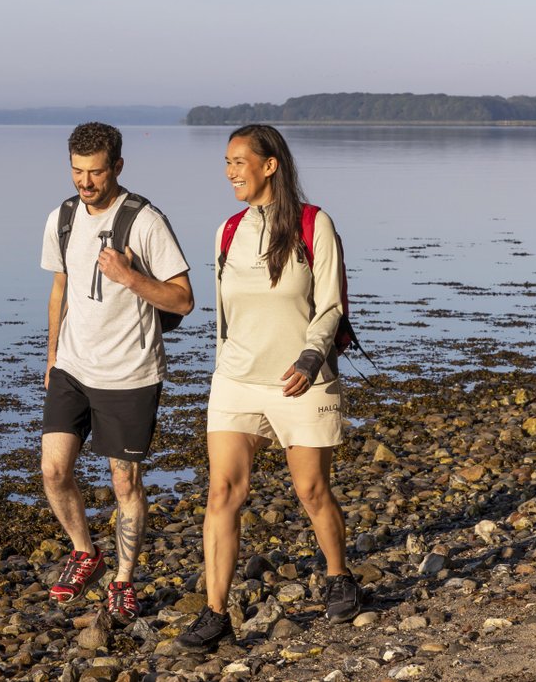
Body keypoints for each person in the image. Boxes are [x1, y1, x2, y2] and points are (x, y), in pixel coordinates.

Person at [176, 123, 361, 653]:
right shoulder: (227, 231)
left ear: (269, 165)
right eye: (227, 162)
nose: (230, 171)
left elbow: (330, 303)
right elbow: (224, 317)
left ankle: (338, 575)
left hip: (300, 381)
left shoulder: (313, 224)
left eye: (239, 161)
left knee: (311, 490)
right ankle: (215, 614)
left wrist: (311, 356)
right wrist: (220, 371)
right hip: (235, 380)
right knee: (222, 494)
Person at [39, 121, 194, 625]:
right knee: (54, 470)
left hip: (130, 373)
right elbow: (60, 290)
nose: (85, 182)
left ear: (118, 167)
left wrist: (130, 276)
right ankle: (86, 552)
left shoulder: (145, 220)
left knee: (124, 484)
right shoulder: (61, 217)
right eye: (77, 171)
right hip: (72, 367)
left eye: (96, 172)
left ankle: (123, 581)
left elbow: (184, 299)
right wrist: (51, 356)